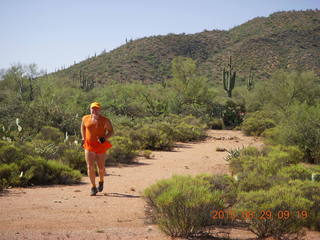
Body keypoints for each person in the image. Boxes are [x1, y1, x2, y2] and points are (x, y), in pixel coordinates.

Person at [81, 102, 114, 196]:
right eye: (93, 108)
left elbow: (111, 131)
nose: (95, 110)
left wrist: (105, 138)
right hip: (89, 145)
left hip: (100, 146)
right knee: (90, 166)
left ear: (100, 110)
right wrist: (83, 138)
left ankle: (101, 180)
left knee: (101, 168)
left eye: (97, 109)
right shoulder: (85, 118)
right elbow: (83, 127)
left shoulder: (105, 120)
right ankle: (93, 187)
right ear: (90, 109)